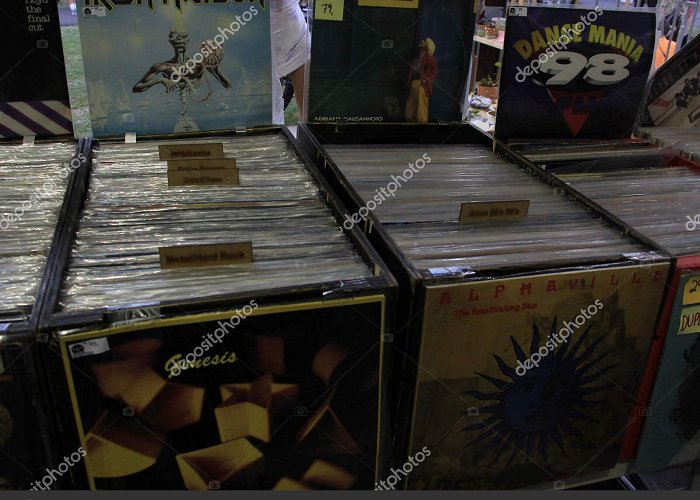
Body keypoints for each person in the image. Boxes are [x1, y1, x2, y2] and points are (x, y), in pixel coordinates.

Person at [270, 0, 310, 123]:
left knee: (307, 110)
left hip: (291, 24)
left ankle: (306, 132)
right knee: (262, 109)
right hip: (253, 23)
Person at [404, 38, 438, 123]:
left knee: (421, 112)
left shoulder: (431, 62)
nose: (421, 52)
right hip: (413, 88)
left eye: (423, 50)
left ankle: (421, 125)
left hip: (422, 89)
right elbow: (410, 76)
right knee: (409, 112)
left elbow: (432, 75)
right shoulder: (415, 61)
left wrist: (426, 79)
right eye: (421, 50)